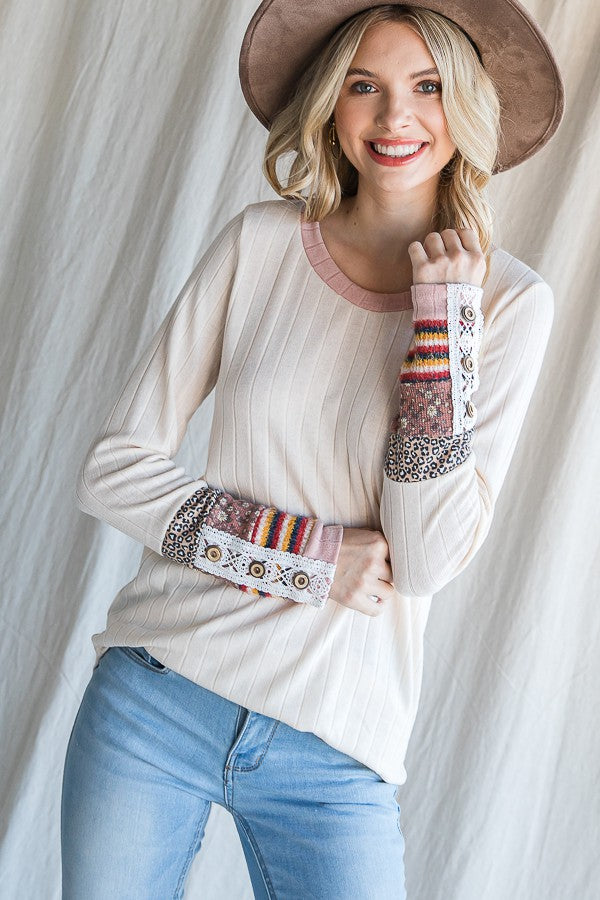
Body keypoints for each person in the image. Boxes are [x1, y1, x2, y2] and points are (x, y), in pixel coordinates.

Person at [61, 2, 565, 897]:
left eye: (428, 86)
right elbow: (113, 471)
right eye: (365, 85)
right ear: (333, 102)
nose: (395, 116)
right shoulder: (259, 244)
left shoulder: (506, 305)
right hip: (158, 697)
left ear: (466, 106)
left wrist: (442, 322)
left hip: (332, 753)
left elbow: (425, 559)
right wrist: (306, 556)